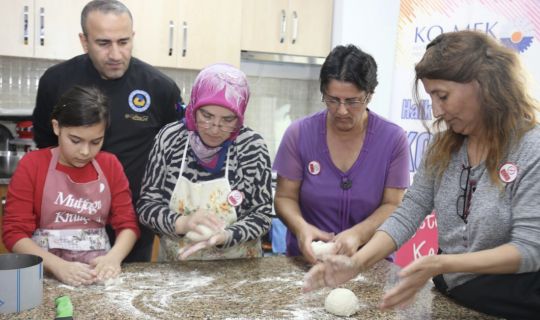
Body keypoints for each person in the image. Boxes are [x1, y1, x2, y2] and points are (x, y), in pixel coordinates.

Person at [303, 31, 540, 319]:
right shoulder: (446, 147)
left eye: (443, 96)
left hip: (512, 302)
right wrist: (357, 263)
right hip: (452, 297)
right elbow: (408, 212)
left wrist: (441, 263)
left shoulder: (531, 148)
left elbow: (529, 250)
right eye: (431, 97)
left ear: (484, 86)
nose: (437, 110)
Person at [31, 0, 183, 262]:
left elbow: (174, 155)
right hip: (66, 223)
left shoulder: (160, 88)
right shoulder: (55, 81)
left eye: (123, 42)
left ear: (133, 37)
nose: (115, 54)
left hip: (130, 228)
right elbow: (46, 145)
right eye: (103, 43)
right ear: (84, 40)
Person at [273, 45, 410, 264]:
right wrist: (301, 229)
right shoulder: (299, 134)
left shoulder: (393, 140)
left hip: (369, 263)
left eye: (353, 101)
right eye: (333, 100)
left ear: (369, 96)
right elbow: (284, 197)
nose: (341, 110)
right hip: (307, 261)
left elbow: (393, 204)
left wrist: (358, 234)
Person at [2, 86, 140, 286]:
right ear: (57, 127)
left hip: (96, 275)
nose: (85, 151)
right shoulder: (33, 164)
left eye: (96, 141)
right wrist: (57, 266)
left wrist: (113, 258)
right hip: (45, 274)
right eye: (75, 140)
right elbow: (14, 233)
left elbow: (128, 225)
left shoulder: (110, 165)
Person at [137, 63, 272, 260]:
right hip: (178, 269)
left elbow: (262, 215)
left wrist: (226, 236)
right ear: (193, 108)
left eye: (227, 120)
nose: (215, 129)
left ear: (239, 117)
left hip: (238, 269)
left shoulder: (251, 147)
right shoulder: (170, 139)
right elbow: (147, 205)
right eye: (206, 116)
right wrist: (183, 223)